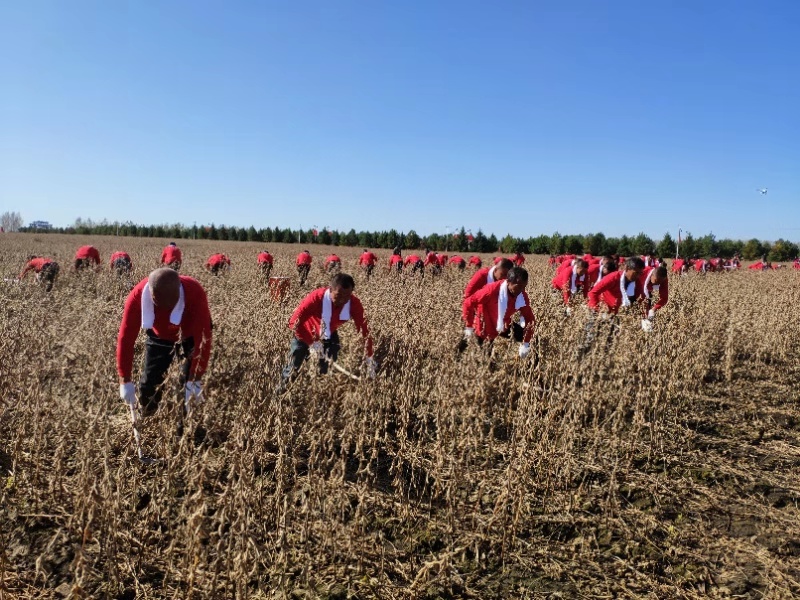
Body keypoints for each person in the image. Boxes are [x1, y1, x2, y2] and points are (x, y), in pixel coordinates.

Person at [117, 268, 212, 418]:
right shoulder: (136, 297)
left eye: (173, 304)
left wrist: (195, 377)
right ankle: (147, 416)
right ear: (152, 296)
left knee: (185, 387)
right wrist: (125, 380)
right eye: (163, 306)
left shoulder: (194, 292)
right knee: (148, 386)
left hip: (189, 336)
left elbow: (204, 337)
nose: (169, 311)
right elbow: (125, 338)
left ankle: (185, 430)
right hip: (159, 336)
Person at [279, 273, 375, 390]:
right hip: (304, 332)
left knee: (327, 365)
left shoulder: (354, 304)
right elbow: (294, 322)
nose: (343, 300)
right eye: (338, 296)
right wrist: (311, 343)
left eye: (347, 296)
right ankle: (280, 393)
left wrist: (369, 358)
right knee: (293, 367)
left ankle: (318, 389)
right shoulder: (316, 297)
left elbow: (364, 331)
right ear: (330, 290)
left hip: (328, 332)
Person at [461, 267, 535, 358]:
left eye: (524, 286)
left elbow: (529, 318)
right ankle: (456, 357)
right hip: (485, 327)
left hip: (503, 324)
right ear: (508, 282)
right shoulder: (491, 290)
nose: (522, 290)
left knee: (533, 341)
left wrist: (526, 343)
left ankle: (527, 369)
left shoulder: (522, 295)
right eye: (519, 286)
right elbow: (468, 302)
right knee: (487, 360)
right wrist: (468, 326)